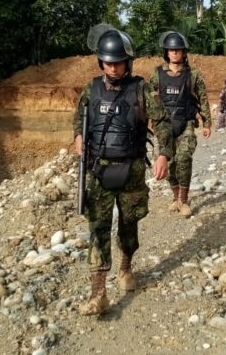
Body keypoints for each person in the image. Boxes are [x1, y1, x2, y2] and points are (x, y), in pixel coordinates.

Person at [73, 24, 173, 316]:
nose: (114, 68)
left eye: (118, 63)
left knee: (129, 225)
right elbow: (79, 118)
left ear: (128, 62)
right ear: (100, 62)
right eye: (108, 62)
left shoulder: (142, 89)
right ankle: (98, 294)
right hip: (98, 171)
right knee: (98, 229)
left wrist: (162, 153)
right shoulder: (90, 90)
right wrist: (78, 138)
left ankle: (126, 268)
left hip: (130, 170)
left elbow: (163, 122)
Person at [148, 31, 211, 217]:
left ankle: (184, 200)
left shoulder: (194, 75)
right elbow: (149, 98)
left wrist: (207, 122)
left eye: (178, 50)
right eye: (171, 50)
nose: (174, 53)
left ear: (184, 53)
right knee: (170, 163)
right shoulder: (157, 74)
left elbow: (203, 98)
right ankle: (175, 197)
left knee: (184, 158)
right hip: (164, 127)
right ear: (166, 53)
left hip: (187, 123)